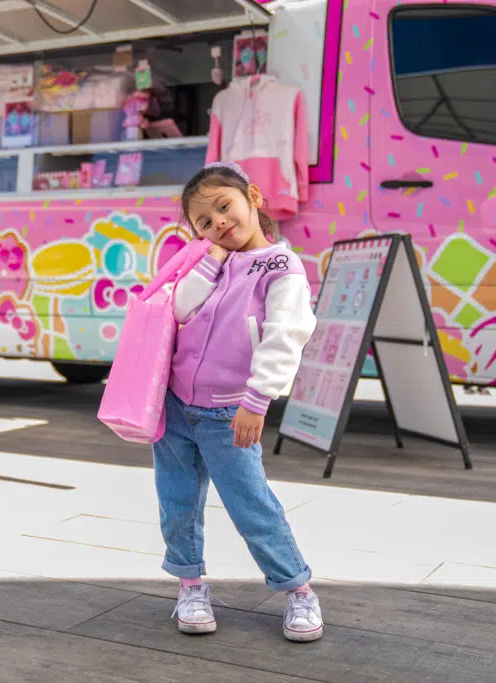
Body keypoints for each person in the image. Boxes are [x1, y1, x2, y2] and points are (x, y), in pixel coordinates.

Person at [155, 161, 322, 642]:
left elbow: (284, 337)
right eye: (204, 222)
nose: (219, 224)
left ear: (253, 196)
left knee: (251, 504)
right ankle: (190, 585)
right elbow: (181, 309)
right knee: (177, 500)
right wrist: (208, 259)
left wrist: (257, 401)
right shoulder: (215, 262)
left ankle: (298, 590)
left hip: (230, 410)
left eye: (224, 207)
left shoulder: (281, 267)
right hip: (176, 404)